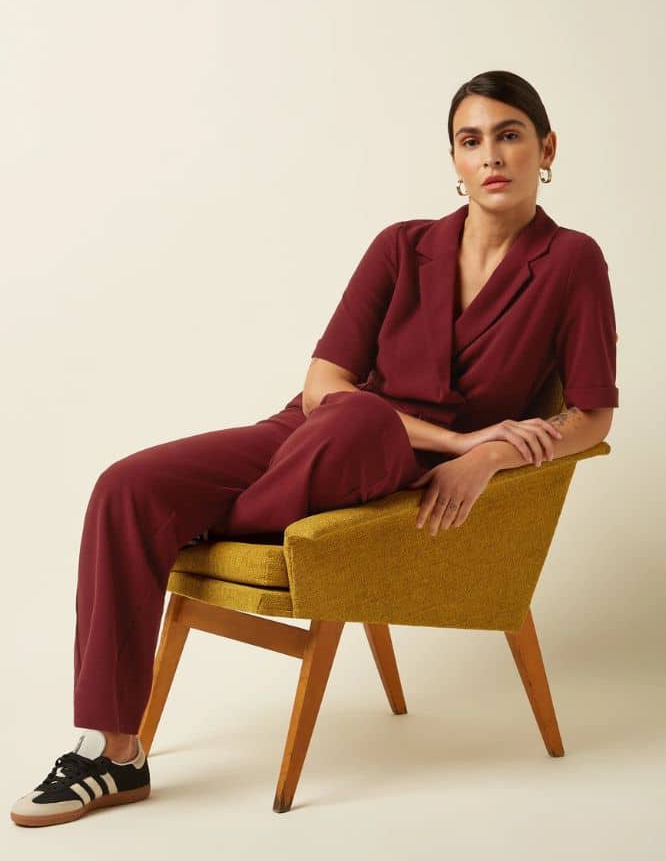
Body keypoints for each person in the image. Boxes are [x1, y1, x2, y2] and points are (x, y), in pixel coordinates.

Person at [10, 69, 619, 826]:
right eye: (471, 141)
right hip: (308, 435)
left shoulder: (571, 262)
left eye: (510, 135)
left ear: (546, 149)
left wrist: (487, 456)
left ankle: (202, 521)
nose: (490, 155)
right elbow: (322, 386)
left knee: (362, 424)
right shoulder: (402, 246)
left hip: (397, 472)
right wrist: (460, 435)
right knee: (125, 486)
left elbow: (592, 416)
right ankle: (111, 751)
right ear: (455, 161)